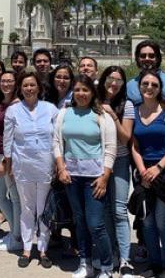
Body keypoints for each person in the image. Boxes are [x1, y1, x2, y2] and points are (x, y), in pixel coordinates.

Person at [54, 75, 117, 278]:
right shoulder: (64, 113)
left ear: (92, 93)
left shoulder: (101, 115)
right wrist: (61, 168)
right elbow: (56, 142)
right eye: (78, 90)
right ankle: (85, 263)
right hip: (72, 177)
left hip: (95, 177)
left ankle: (106, 266)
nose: (81, 94)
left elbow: (110, 148)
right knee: (79, 221)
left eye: (85, 90)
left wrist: (105, 176)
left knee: (95, 224)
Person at [130, 70, 165, 278]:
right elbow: (134, 145)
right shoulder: (134, 111)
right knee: (147, 221)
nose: (149, 87)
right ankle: (155, 264)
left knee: (163, 222)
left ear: (160, 88)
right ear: (139, 86)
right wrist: (143, 170)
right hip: (144, 173)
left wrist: (159, 167)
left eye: (154, 84)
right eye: (145, 83)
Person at [4, 70, 59, 269]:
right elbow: (7, 140)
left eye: (32, 85)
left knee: (44, 209)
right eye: (25, 85)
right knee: (27, 209)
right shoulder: (13, 110)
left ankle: (43, 248)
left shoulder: (50, 109)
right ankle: (27, 248)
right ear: (20, 88)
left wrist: (58, 163)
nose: (29, 88)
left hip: (45, 165)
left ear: (39, 87)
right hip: (22, 166)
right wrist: (9, 165)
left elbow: (57, 139)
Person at [98, 66, 136, 278]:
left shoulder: (127, 105)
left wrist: (112, 114)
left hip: (120, 160)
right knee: (104, 210)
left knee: (120, 210)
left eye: (119, 81)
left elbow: (125, 138)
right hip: (97, 162)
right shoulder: (93, 102)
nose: (114, 84)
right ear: (103, 79)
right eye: (110, 79)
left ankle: (125, 260)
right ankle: (110, 253)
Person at [0, 70, 22, 252]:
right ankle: (15, 231)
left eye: (10, 81)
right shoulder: (2, 102)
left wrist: (6, 159)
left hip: (8, 155)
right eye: (3, 81)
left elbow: (17, 134)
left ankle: (18, 238)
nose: (6, 84)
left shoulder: (17, 104)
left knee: (15, 198)